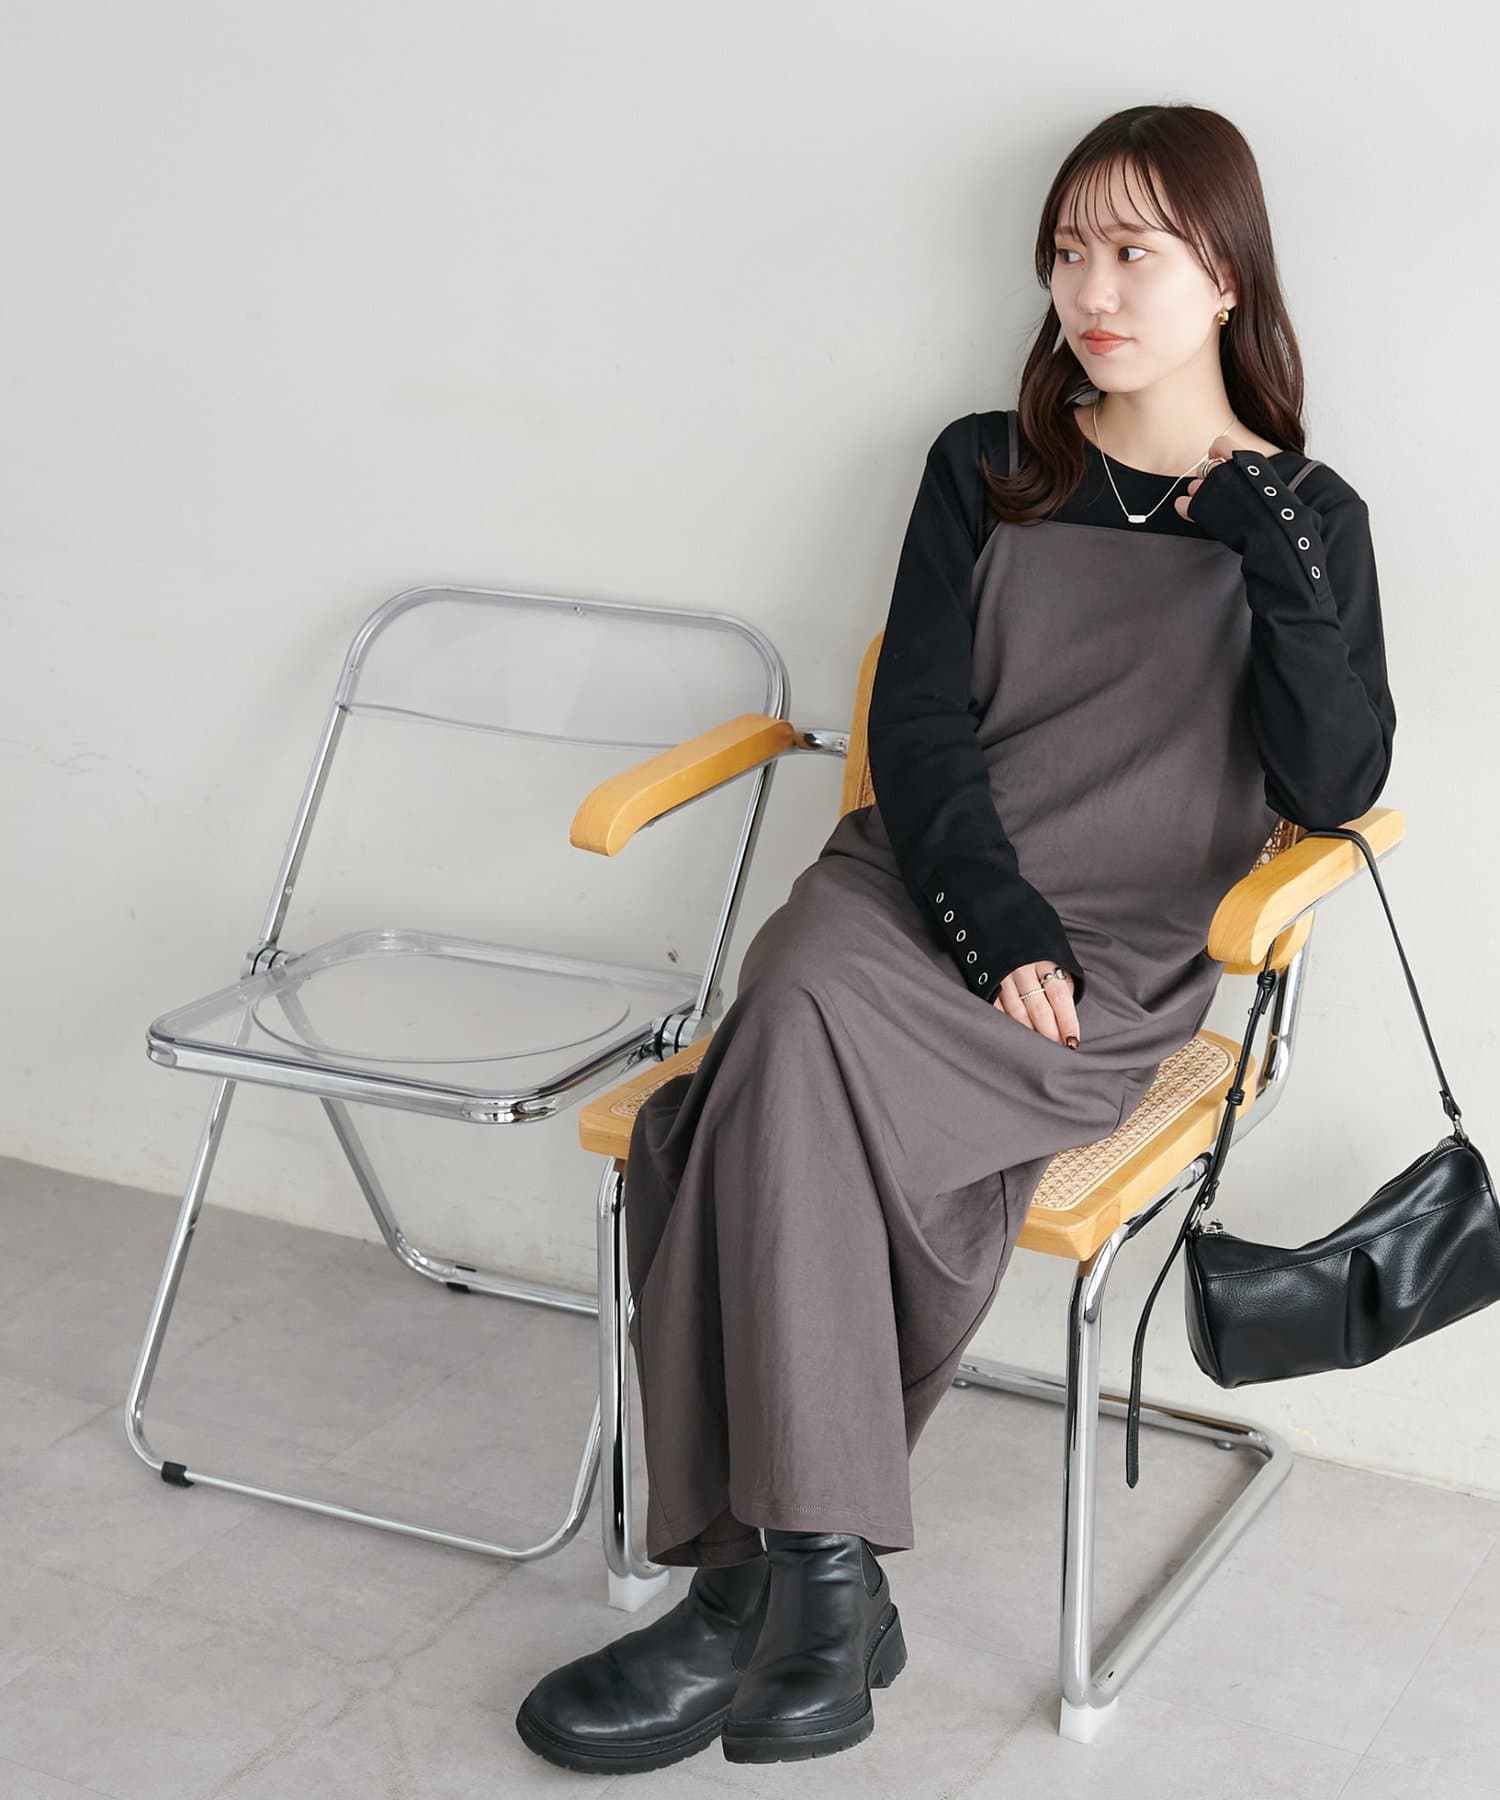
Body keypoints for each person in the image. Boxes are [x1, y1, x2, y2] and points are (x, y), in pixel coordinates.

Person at [515, 100, 1396, 1774]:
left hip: (1117, 963)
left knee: (741, 1100)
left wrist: (1270, 551)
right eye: (1067, 252)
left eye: (1133, 250)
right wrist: (992, 930)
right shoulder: (985, 465)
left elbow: (1336, 781)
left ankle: (741, 1596)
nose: (1091, 290)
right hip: (920, 890)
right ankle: (816, 1585)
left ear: (1225, 274)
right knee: (793, 1005)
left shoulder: (1308, 515)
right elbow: (915, 728)